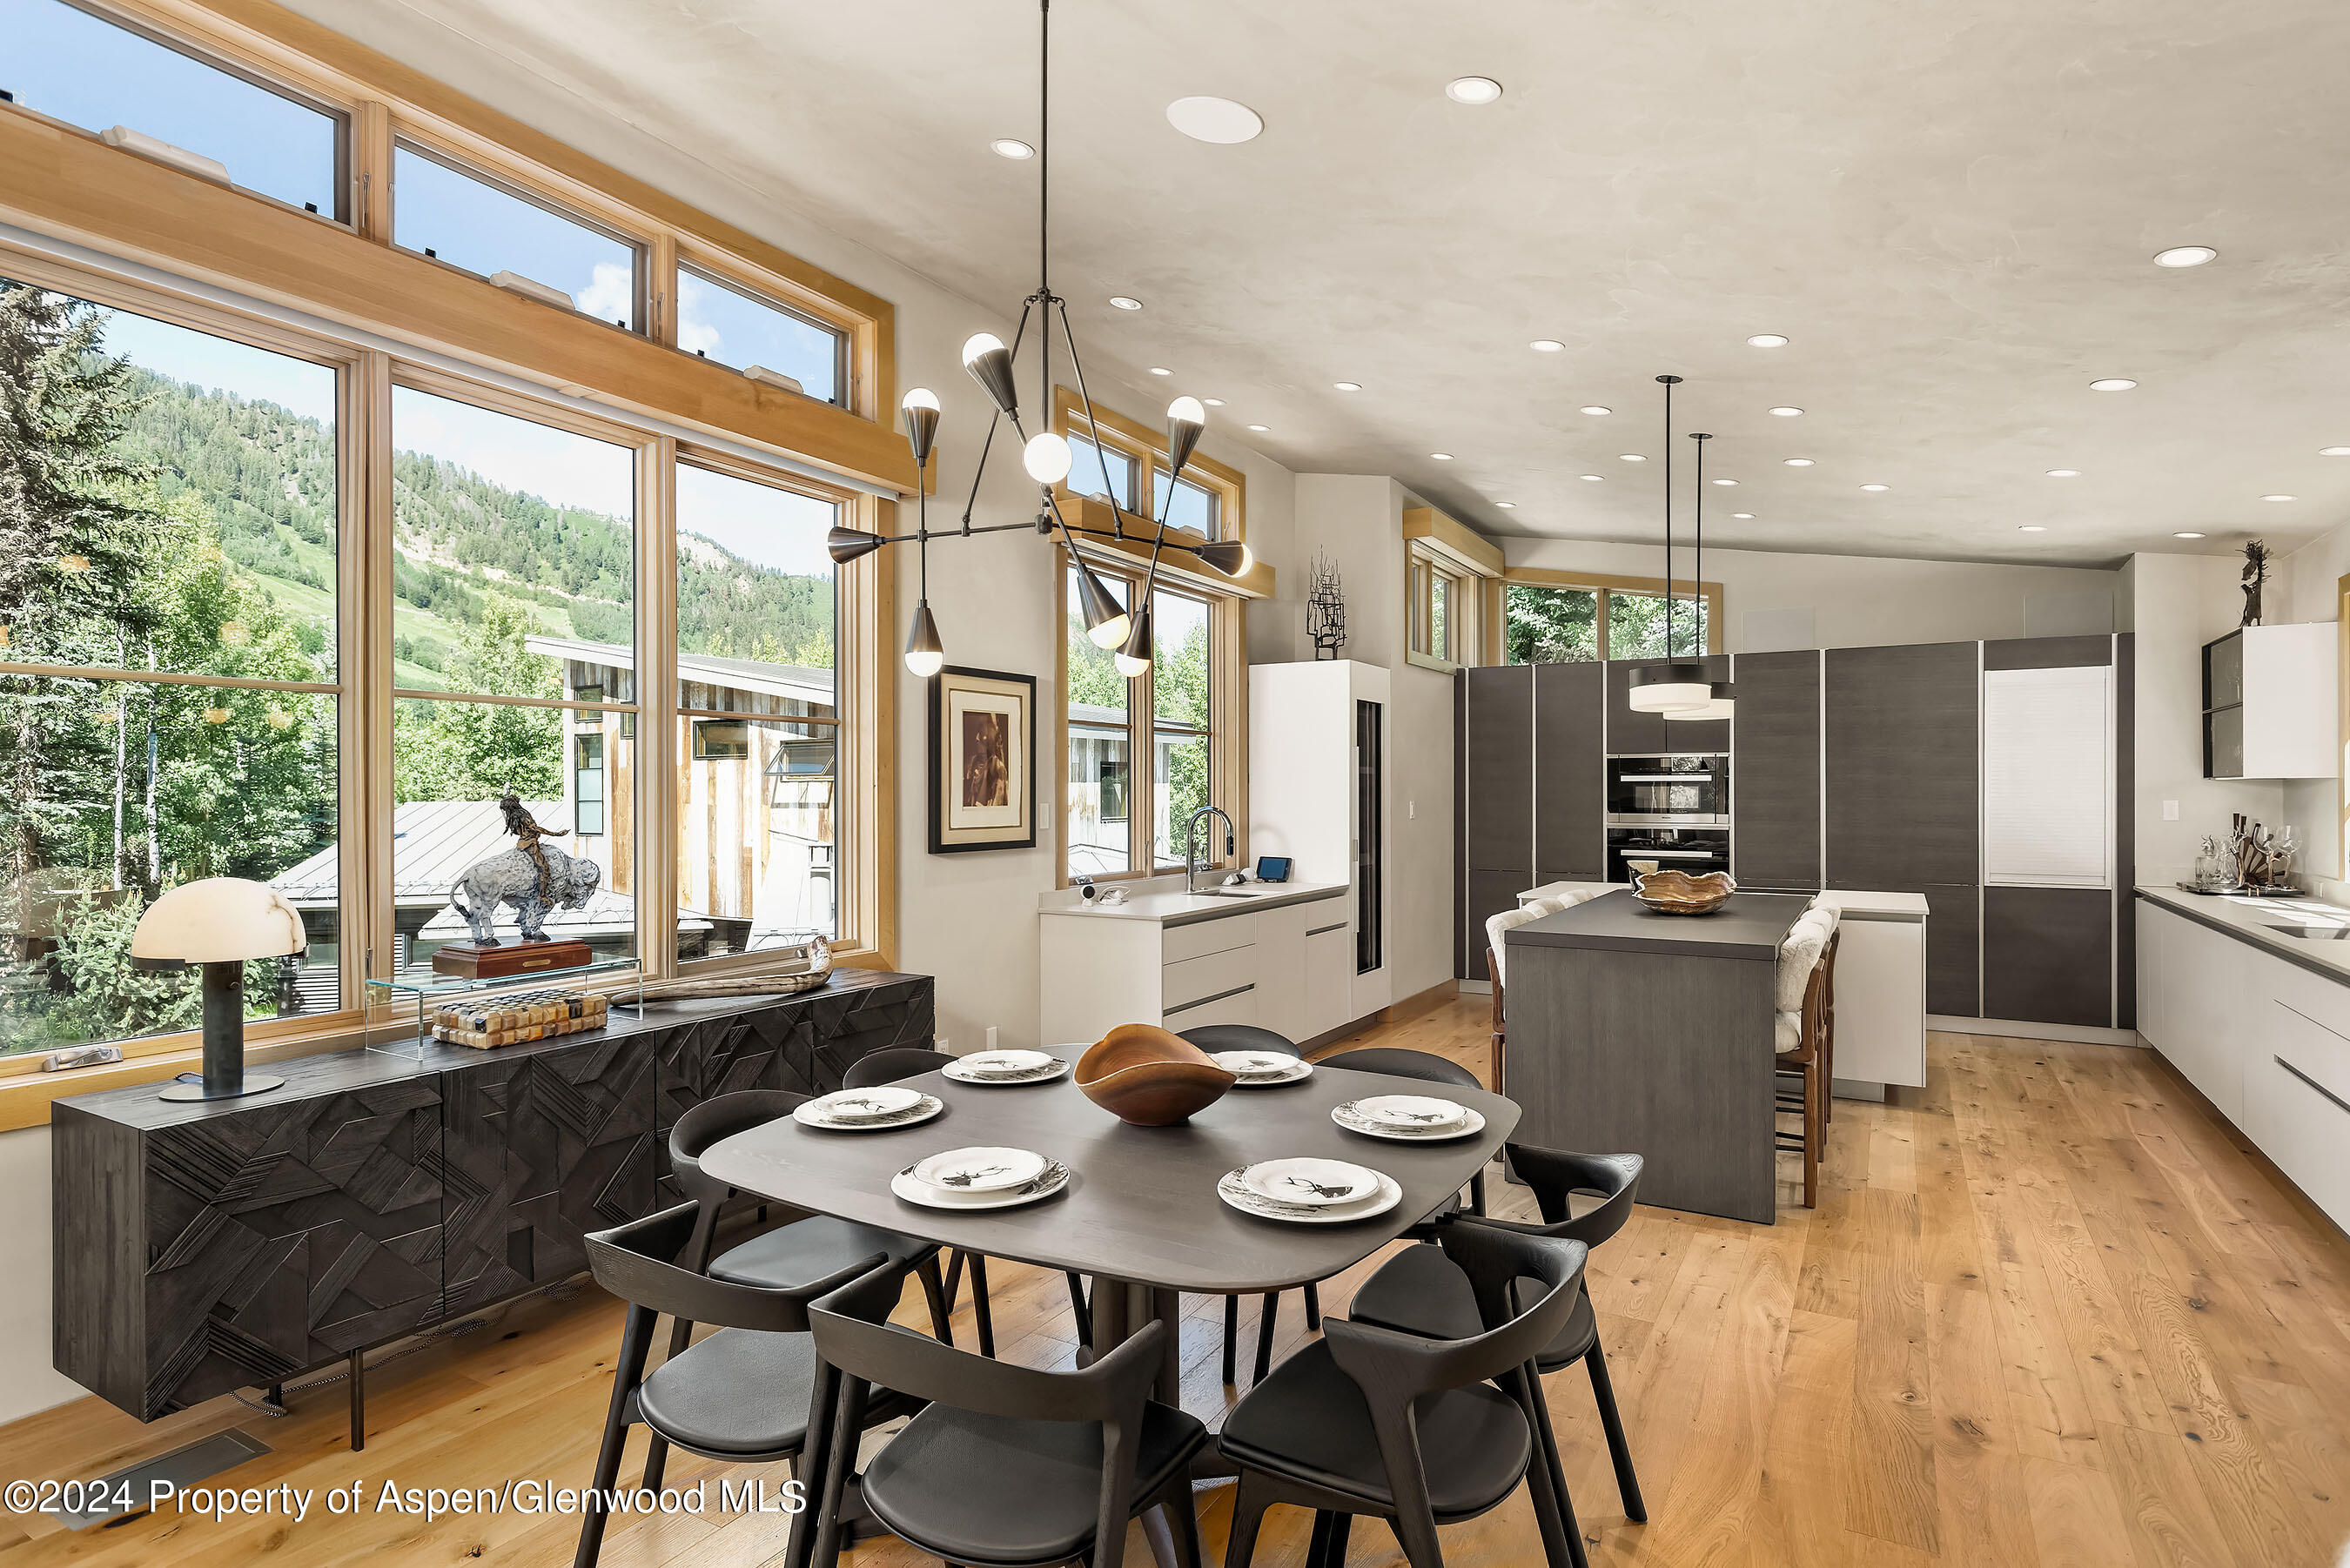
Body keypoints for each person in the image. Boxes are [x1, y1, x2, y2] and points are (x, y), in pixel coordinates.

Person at [499, 792, 568, 910]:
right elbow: (534, 828)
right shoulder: (523, 814)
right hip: (530, 843)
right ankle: (542, 895)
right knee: (544, 869)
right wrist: (555, 834)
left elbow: (516, 831)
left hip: (522, 842)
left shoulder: (513, 816)